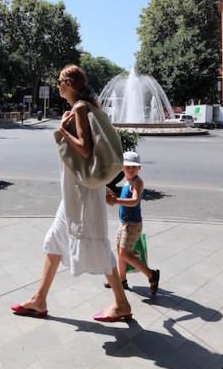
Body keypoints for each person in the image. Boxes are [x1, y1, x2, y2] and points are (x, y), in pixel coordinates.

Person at [11, 64, 133, 323]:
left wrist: (62, 131)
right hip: (78, 190)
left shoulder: (79, 107)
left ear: (69, 83)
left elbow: (85, 149)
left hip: (81, 194)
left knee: (97, 245)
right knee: (55, 239)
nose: (57, 86)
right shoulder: (86, 106)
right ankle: (39, 299)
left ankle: (122, 304)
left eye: (60, 81)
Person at [105, 151, 160, 296]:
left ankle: (151, 274)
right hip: (124, 223)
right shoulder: (126, 182)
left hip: (133, 224)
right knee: (120, 251)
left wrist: (116, 201)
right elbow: (122, 198)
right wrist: (111, 194)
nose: (130, 169)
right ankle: (121, 280)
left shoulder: (137, 182)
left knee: (124, 253)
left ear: (139, 168)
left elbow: (134, 201)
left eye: (134, 167)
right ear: (122, 167)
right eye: (128, 166)